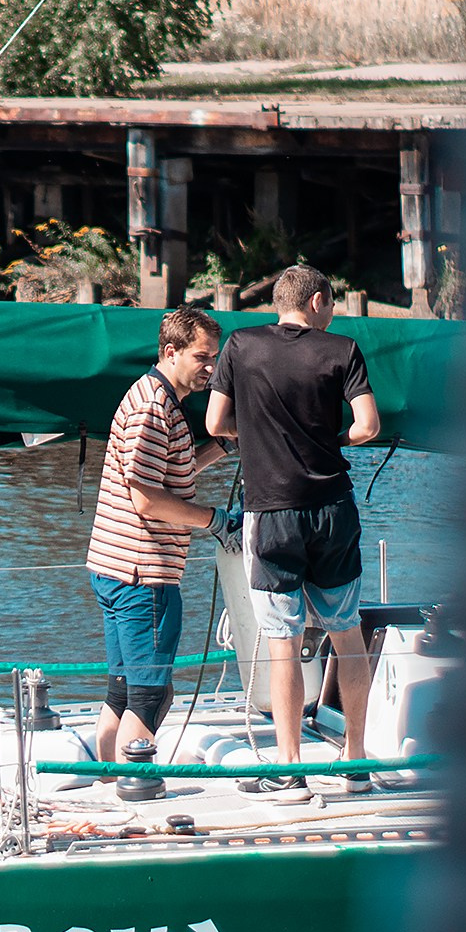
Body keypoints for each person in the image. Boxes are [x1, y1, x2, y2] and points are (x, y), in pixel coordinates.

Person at [204, 265, 384, 778]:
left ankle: (289, 764)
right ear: (317, 301)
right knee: (346, 633)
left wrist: (256, 432)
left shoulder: (241, 345)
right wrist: (332, 440)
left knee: (282, 642)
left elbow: (215, 423)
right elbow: (368, 426)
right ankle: (355, 756)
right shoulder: (342, 350)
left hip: (271, 513)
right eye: (331, 305)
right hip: (332, 511)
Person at [85, 306, 234, 776]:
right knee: (150, 696)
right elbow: (147, 499)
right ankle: (136, 786)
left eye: (214, 357)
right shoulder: (154, 407)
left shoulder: (156, 398)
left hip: (114, 567)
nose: (211, 368)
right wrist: (215, 521)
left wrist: (224, 446)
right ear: (171, 352)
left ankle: (109, 781)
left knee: (123, 692)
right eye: (202, 357)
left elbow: (169, 474)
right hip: (142, 576)